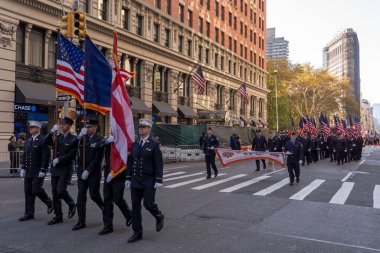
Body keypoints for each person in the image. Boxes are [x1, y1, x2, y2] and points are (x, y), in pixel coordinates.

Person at [125, 119, 164, 243]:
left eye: (144, 127)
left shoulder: (154, 144)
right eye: (140, 127)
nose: (141, 128)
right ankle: (137, 232)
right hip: (136, 180)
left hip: (148, 180)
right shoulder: (135, 144)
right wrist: (128, 177)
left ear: (149, 129)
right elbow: (131, 162)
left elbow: (158, 163)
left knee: (148, 204)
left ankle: (158, 215)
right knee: (135, 208)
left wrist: (158, 179)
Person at [72, 119, 105, 231]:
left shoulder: (99, 139)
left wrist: (88, 170)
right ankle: (81, 221)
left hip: (93, 172)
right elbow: (73, 148)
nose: (88, 128)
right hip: (82, 171)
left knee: (94, 195)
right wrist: (78, 136)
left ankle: (104, 207)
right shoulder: (83, 138)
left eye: (90, 126)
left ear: (95, 127)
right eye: (87, 126)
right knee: (80, 196)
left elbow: (98, 158)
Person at [44, 117, 77, 225]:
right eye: (60, 124)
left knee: (60, 190)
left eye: (64, 124)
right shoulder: (57, 137)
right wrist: (51, 132)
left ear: (69, 125)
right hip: (55, 168)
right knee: (54, 193)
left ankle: (71, 203)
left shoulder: (73, 139)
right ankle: (58, 216)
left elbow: (72, 154)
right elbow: (46, 142)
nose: (62, 126)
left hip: (65, 168)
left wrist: (60, 159)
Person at [98, 135, 133, 235]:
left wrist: (127, 177)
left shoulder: (124, 144)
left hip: (119, 176)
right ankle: (108, 226)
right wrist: (106, 141)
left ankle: (129, 215)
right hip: (108, 176)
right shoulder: (109, 141)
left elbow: (128, 162)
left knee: (118, 199)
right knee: (107, 201)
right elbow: (97, 147)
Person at [18, 121, 53, 221]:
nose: (30, 129)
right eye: (30, 127)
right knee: (28, 192)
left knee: (36, 189)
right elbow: (25, 155)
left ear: (38, 128)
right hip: (29, 170)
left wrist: (43, 169)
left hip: (38, 170)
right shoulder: (28, 141)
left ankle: (49, 202)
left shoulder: (43, 140)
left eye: (33, 127)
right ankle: (29, 213)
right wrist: (23, 168)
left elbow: (45, 157)